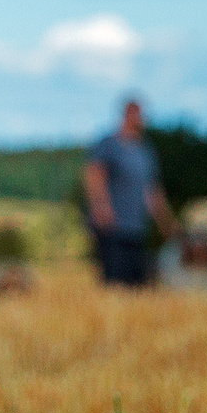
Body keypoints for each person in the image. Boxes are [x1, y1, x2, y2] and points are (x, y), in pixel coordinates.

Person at [83, 98, 175, 287]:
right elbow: (94, 175)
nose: (142, 119)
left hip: (136, 228)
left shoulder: (145, 151)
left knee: (138, 285)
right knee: (115, 283)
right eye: (138, 114)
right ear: (127, 114)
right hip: (112, 226)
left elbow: (151, 191)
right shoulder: (109, 144)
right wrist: (101, 207)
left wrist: (166, 222)